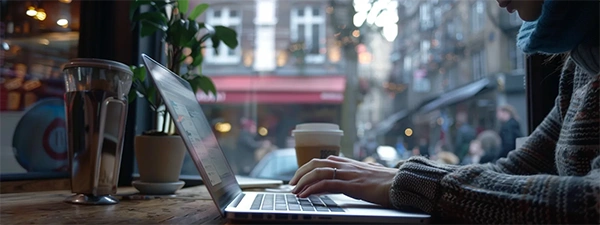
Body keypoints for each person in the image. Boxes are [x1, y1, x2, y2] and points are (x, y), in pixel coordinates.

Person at [289, 0, 600, 223]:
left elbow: (591, 203)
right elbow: (515, 168)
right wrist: (398, 177)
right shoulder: (582, 65)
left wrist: (412, 183)